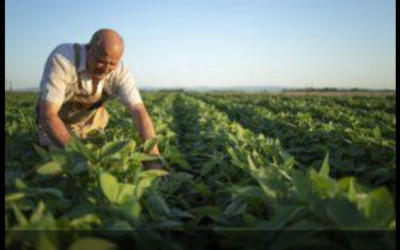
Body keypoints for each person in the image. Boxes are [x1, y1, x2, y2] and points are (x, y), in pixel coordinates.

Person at [37, 29, 162, 169]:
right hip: (56, 123)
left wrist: (153, 158)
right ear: (88, 49)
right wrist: (79, 155)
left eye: (112, 64)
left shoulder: (120, 70)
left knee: (106, 162)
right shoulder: (63, 59)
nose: (106, 69)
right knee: (65, 166)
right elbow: (48, 115)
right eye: (101, 61)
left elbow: (138, 111)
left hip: (91, 122)